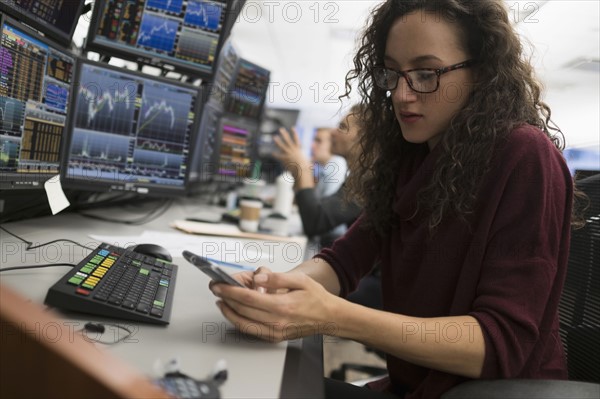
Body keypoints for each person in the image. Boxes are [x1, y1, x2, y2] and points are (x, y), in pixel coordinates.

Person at [209, 1, 577, 398]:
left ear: (482, 73)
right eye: (392, 73)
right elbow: (344, 261)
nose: (402, 94)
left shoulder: (524, 156)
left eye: (425, 74)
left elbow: (497, 345)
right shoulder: (414, 157)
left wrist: (331, 316)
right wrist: (272, 287)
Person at [272, 109, 362, 248]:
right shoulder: (358, 178)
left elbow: (315, 222)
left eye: (342, 127)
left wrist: (303, 169)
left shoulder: (369, 182)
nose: (332, 132)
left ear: (363, 137)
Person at [311, 127, 348, 199]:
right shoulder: (326, 168)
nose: (312, 146)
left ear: (332, 144)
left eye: (318, 141)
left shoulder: (337, 165)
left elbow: (325, 207)